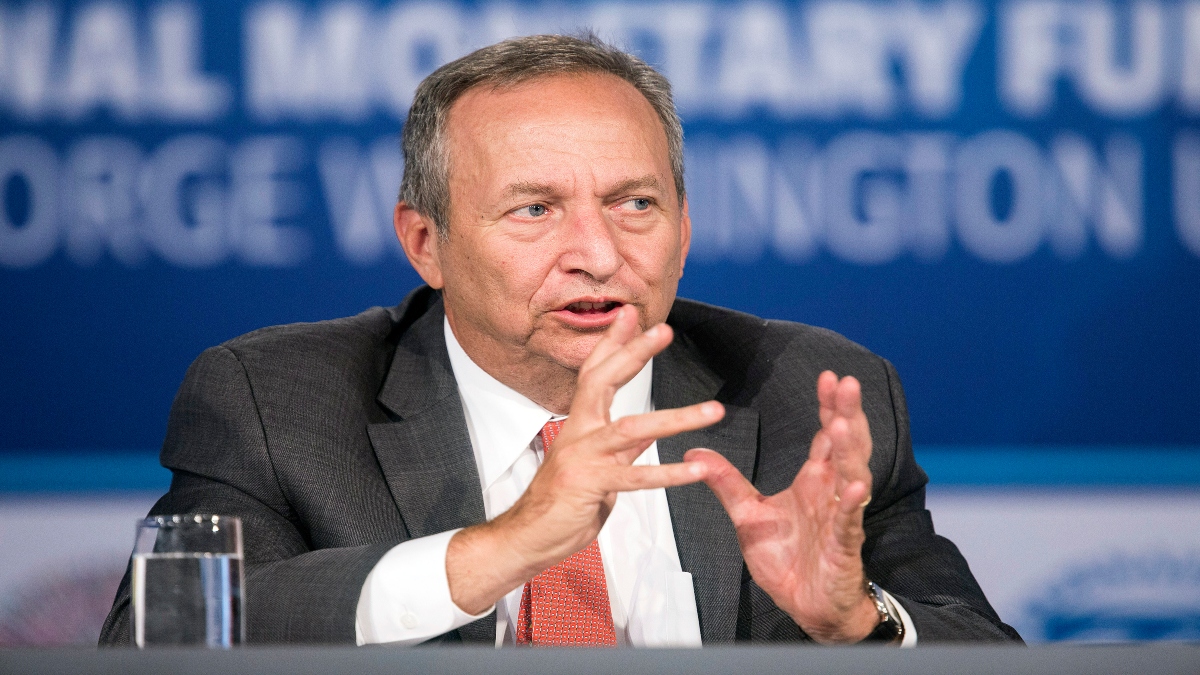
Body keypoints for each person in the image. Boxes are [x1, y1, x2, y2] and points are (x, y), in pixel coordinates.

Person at [100, 34, 1020, 647]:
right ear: (426, 242)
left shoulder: (806, 395)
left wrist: (858, 622)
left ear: (686, 229)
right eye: (535, 209)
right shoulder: (277, 402)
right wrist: (499, 548)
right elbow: (164, 638)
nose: (598, 253)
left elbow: (983, 652)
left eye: (635, 204)